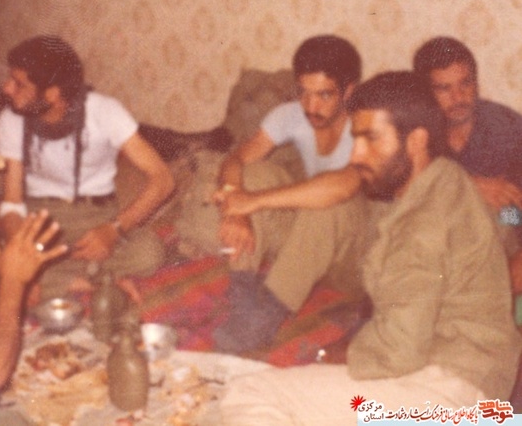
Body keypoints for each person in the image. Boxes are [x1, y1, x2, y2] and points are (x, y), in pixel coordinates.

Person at [220, 71, 522, 425]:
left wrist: (333, 355)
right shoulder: (444, 178)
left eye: (371, 139)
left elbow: (399, 350)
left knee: (248, 392)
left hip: (445, 392)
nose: (357, 154)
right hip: (469, 380)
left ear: (416, 141)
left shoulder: (428, 215)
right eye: (356, 139)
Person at [212, 35, 363, 352]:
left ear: (349, 90)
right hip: (309, 248)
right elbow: (235, 160)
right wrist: (237, 212)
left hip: (355, 257)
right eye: (304, 93)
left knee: (328, 203)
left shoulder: (366, 125)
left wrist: (252, 202)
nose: (311, 106)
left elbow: (344, 186)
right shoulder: (291, 114)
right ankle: (243, 301)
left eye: (324, 95)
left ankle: (267, 313)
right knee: (254, 173)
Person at [0, 35, 174, 301]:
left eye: (19, 84)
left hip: (97, 216)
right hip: (41, 220)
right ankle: (92, 281)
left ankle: (55, 279)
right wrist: (20, 249)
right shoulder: (11, 119)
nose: (7, 88)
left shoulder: (104, 111)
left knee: (149, 252)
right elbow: (11, 201)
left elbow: (163, 179)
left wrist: (113, 230)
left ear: (52, 94)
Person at [413, 37, 522, 245]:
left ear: (476, 82)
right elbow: (402, 191)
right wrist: (468, 186)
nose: (458, 97)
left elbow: (516, 216)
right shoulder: (416, 132)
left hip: (499, 238)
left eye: (465, 83)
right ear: (426, 93)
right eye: (444, 88)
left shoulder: (508, 128)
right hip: (436, 236)